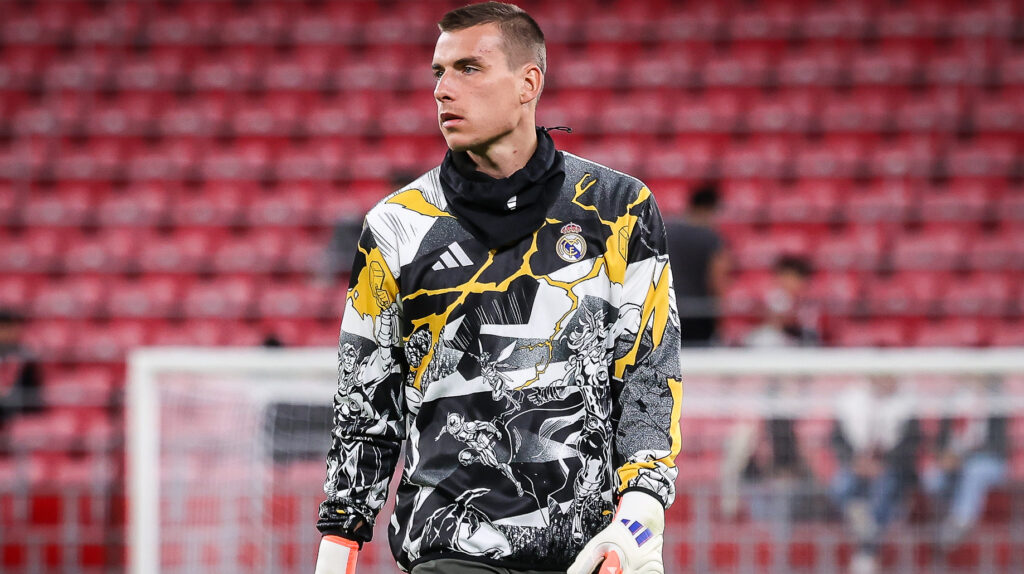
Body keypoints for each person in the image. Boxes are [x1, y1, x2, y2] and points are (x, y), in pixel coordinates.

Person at [314, 3, 682, 574]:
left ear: (528, 83)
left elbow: (648, 377)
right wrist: (339, 541)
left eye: (468, 68)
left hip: (590, 553)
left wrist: (639, 516)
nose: (443, 90)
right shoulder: (396, 226)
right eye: (438, 72)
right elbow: (365, 399)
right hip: (450, 552)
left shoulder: (617, 211)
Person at [830, 377, 921, 574]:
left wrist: (883, 464)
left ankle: (866, 548)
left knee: (884, 491)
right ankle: (868, 547)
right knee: (840, 486)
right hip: (857, 466)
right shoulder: (850, 403)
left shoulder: (907, 407)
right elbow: (837, 441)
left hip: (892, 471)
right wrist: (856, 462)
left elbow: (911, 445)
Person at [922, 380, 1008, 553]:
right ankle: (944, 524)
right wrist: (944, 458)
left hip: (989, 461)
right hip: (954, 462)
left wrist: (964, 457)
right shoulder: (953, 403)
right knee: (932, 478)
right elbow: (940, 441)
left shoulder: (998, 404)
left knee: (973, 471)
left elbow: (1000, 445)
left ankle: (961, 520)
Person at [664, 183, 729, 347]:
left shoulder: (665, 231)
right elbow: (717, 278)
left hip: (665, 309)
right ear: (709, 208)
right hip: (700, 311)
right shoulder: (711, 237)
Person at [743, 254, 820, 348]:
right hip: (777, 337)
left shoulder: (809, 300)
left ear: (802, 281)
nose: (787, 281)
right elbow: (775, 321)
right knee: (762, 338)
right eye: (785, 276)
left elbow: (806, 326)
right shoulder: (775, 296)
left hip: (799, 339)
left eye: (792, 277)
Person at [0, 309, 42, 434]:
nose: (7, 333)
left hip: (18, 413)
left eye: (10, 327)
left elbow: (33, 395)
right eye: (4, 328)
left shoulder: (26, 357)